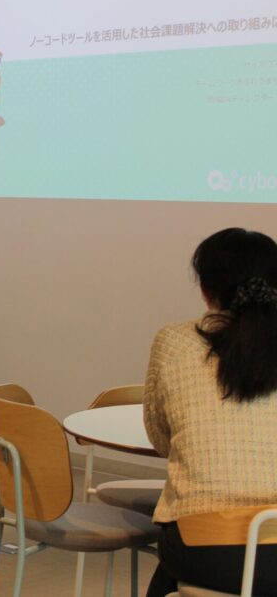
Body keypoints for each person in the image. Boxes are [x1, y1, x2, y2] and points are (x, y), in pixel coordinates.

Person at [144, 227, 277, 596]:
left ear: (206, 290)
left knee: (175, 564)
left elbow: (161, 439)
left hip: (205, 547)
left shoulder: (174, 341)